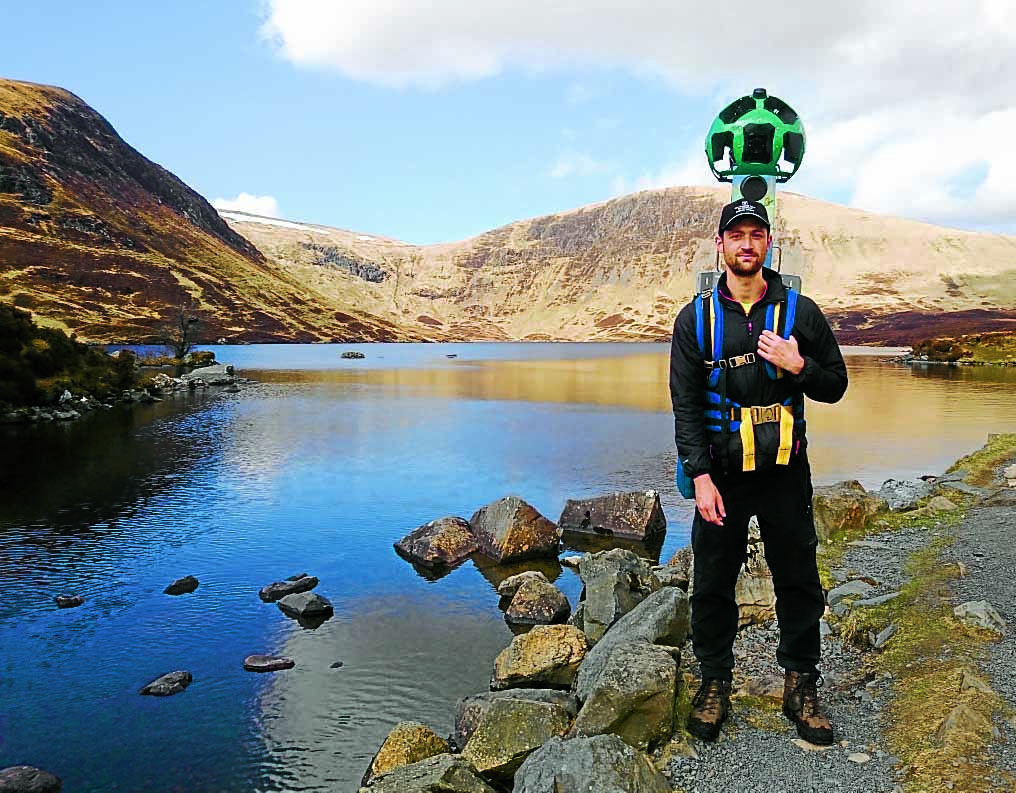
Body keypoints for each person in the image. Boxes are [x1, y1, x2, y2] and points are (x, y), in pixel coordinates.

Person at [669, 198, 848, 744]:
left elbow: (835, 385)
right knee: (713, 581)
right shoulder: (694, 320)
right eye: (736, 235)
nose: (746, 244)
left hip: (784, 472)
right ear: (720, 245)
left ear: (769, 243)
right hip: (721, 475)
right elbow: (686, 404)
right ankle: (715, 682)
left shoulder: (802, 313)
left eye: (756, 234)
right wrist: (699, 476)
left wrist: (800, 366)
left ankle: (800, 682)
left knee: (798, 577)